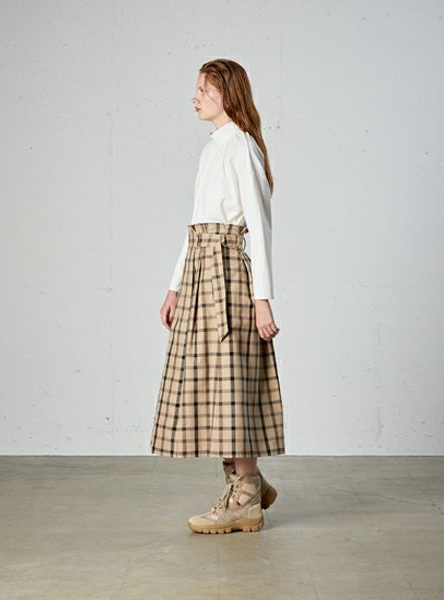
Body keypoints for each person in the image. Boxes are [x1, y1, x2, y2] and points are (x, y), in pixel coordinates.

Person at [150, 58, 286, 534]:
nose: (195, 97)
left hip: (228, 276)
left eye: (204, 90)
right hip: (200, 271)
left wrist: (262, 297)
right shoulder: (212, 148)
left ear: (228, 94)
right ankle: (246, 484)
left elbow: (260, 227)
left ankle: (244, 497)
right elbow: (195, 227)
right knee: (212, 383)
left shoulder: (241, 147)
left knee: (231, 383)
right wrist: (174, 286)